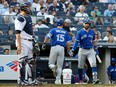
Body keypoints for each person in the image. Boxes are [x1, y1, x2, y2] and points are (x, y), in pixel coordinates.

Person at [15, 3, 41, 86]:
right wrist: (19, 46)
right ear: (23, 8)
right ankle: (21, 80)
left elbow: (30, 31)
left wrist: (35, 41)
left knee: (32, 62)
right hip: (22, 41)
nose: (29, 8)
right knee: (22, 61)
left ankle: (32, 80)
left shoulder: (28, 17)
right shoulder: (20, 18)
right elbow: (17, 33)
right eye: (28, 7)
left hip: (30, 41)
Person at [69, 18, 100, 84]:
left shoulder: (92, 32)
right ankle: (80, 80)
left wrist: (95, 48)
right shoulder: (80, 32)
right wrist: (73, 49)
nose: (86, 25)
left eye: (88, 24)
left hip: (90, 50)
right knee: (80, 66)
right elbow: (76, 42)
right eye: (86, 23)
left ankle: (95, 79)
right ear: (83, 24)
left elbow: (94, 41)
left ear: (89, 24)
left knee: (93, 64)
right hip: (82, 50)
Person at [42, 19, 71, 84]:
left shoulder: (53, 30)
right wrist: (68, 51)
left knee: (50, 64)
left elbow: (47, 37)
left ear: (57, 24)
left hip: (54, 47)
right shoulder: (65, 31)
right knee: (60, 66)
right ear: (62, 24)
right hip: (62, 48)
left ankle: (54, 67)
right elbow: (68, 43)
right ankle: (58, 80)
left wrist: (44, 44)